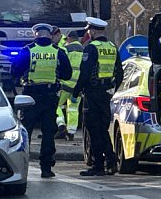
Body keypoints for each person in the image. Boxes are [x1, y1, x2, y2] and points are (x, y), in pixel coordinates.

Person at [11, 23, 72, 178]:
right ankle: (46, 167)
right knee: (48, 132)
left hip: (30, 97)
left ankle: (22, 165)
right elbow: (67, 74)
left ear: (35, 34)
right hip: (50, 96)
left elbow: (14, 71)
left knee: (26, 132)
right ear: (50, 35)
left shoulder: (27, 50)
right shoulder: (58, 51)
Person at [73, 17, 123, 176]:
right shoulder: (113, 47)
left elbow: (85, 73)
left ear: (93, 31)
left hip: (92, 94)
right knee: (103, 129)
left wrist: (75, 91)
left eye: (89, 30)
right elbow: (120, 73)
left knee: (93, 129)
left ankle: (98, 166)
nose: (89, 33)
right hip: (106, 94)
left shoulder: (91, 48)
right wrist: (113, 89)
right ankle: (111, 160)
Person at [55, 30, 84, 141]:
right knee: (73, 109)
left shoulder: (66, 49)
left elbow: (61, 65)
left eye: (66, 40)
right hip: (78, 86)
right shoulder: (84, 50)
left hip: (65, 84)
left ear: (70, 38)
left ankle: (61, 125)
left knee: (55, 105)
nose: (66, 42)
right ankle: (71, 132)